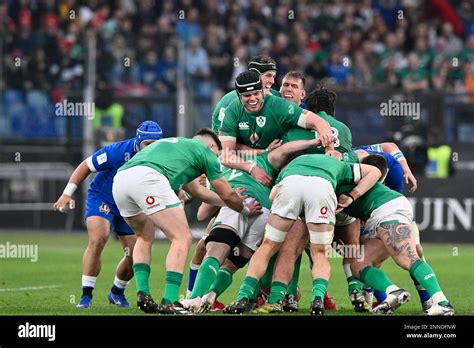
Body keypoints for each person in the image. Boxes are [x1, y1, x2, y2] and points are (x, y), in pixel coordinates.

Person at [112, 128, 261, 314]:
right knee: (182, 237)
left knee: (144, 236)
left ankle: (143, 294)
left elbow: (199, 192)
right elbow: (226, 192)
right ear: (212, 146)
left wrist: (227, 202)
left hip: (121, 180)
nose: (217, 158)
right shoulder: (207, 153)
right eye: (218, 153)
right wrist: (244, 209)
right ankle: (170, 300)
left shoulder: (180, 147)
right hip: (148, 178)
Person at [225, 154, 382, 315]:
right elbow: (375, 172)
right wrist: (352, 196)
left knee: (268, 246)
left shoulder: (291, 165)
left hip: (290, 185)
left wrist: (290, 212)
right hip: (322, 188)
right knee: (319, 252)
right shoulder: (339, 165)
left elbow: (273, 196)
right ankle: (317, 299)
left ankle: (245, 297)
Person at [183, 138, 324, 313]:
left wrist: (224, 199)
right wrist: (314, 141)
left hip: (237, 203)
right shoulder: (268, 160)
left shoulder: (221, 165)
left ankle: (194, 298)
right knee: (235, 262)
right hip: (264, 211)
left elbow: (202, 213)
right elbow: (285, 149)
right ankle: (212, 294)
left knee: (214, 251)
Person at [53, 121, 163, 309]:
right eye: (147, 144)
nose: (151, 149)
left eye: (155, 144)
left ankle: (117, 292)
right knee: (98, 238)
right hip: (103, 198)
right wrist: (66, 193)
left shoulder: (162, 156)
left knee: (134, 254)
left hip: (130, 205)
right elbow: (86, 165)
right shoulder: (118, 151)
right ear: (138, 141)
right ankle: (86, 296)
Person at [219, 71, 335, 187]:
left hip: (274, 163)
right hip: (244, 162)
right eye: (247, 96)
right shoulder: (232, 111)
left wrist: (329, 149)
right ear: (239, 96)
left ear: (262, 91)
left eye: (256, 94)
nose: (253, 99)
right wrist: (251, 168)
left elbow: (319, 122)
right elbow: (225, 155)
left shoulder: (279, 106)